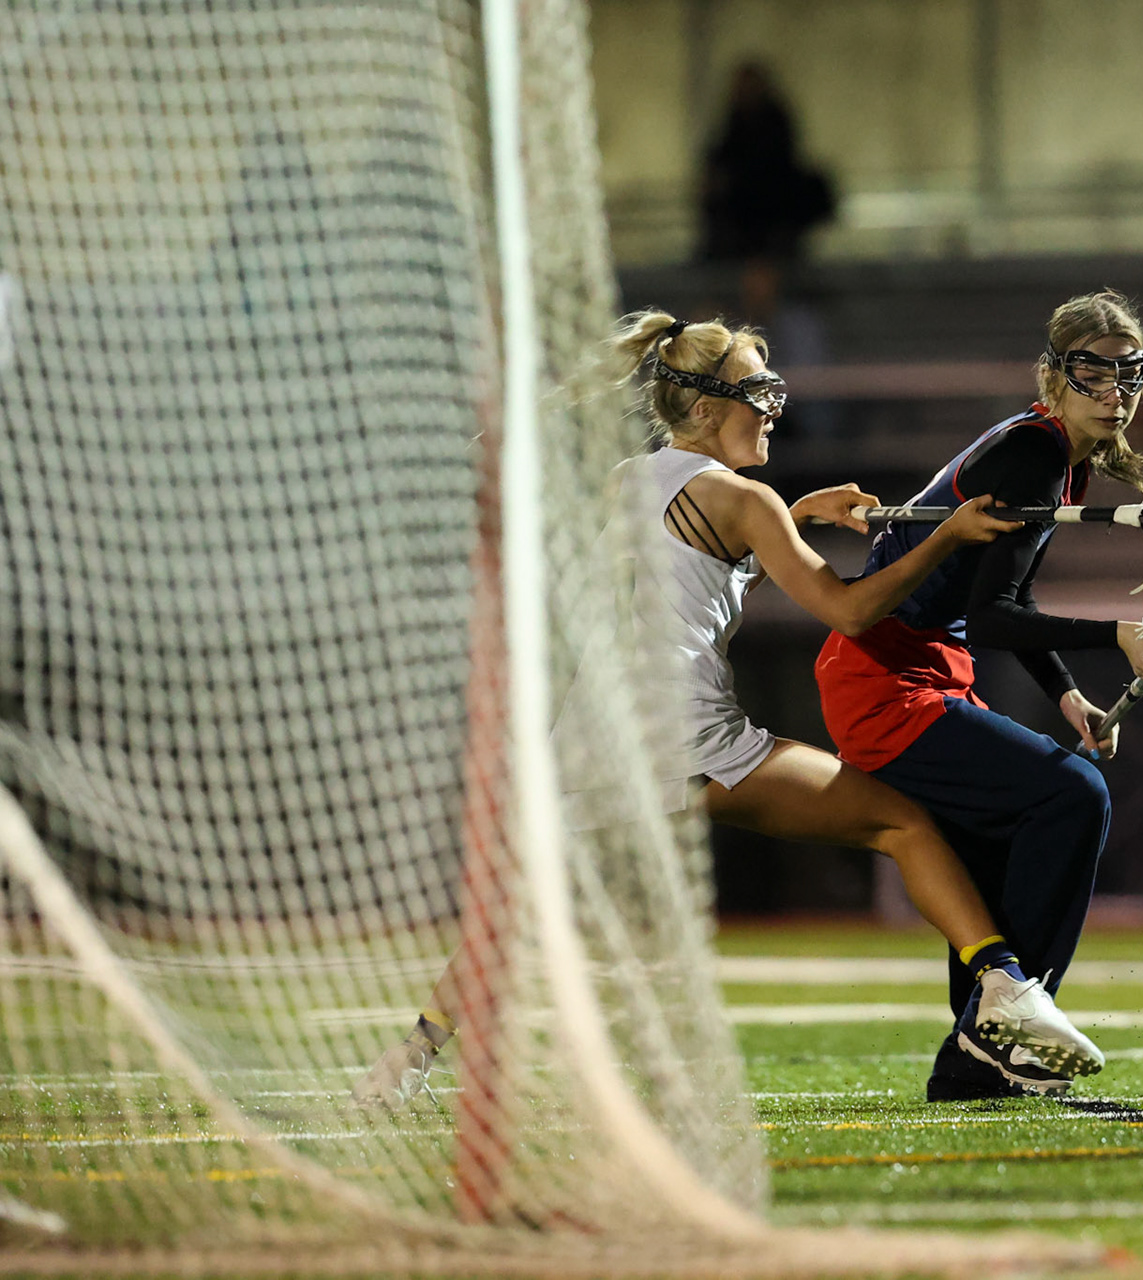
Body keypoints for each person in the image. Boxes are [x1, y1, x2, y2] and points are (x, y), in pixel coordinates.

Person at [353, 311, 1104, 1110]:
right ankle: (1004, 987)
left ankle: (408, 1059)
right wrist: (948, 535)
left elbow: (698, 572)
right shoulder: (745, 500)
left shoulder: (633, 478)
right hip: (690, 736)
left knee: (522, 910)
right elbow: (852, 612)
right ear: (708, 409)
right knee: (905, 825)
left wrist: (797, 514)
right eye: (759, 394)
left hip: (594, 741)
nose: (775, 409)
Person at [814, 289, 1143, 1101]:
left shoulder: (1055, 452)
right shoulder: (1033, 455)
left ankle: (972, 1059)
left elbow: (1006, 595)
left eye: (1128, 374)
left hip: (920, 670)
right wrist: (1115, 635)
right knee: (1073, 796)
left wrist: (1067, 693)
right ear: (1053, 376)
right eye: (1093, 373)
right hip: (882, 680)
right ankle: (1000, 1030)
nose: (1114, 391)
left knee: (998, 845)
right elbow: (993, 615)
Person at [697, 62, 835, 263]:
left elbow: (772, 167)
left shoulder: (775, 123)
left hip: (769, 210)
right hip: (745, 214)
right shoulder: (734, 123)